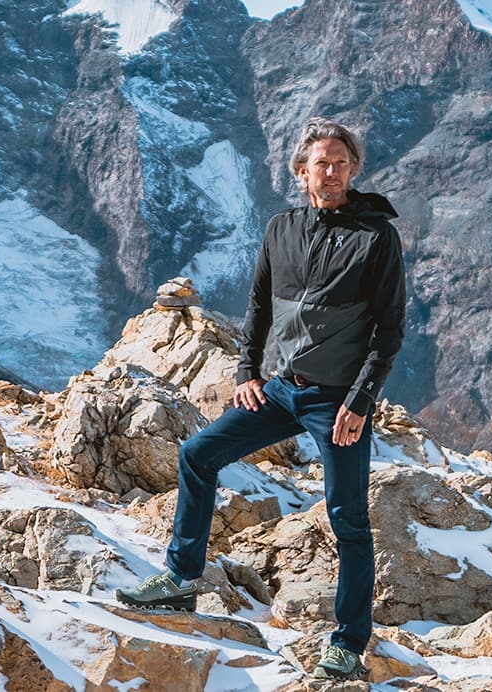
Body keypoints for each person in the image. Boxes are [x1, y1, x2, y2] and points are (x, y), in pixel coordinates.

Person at [113, 119, 406, 682]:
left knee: (348, 518)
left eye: (342, 162)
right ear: (301, 172)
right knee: (198, 454)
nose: (333, 171)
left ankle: (347, 642)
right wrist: (247, 371)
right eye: (322, 162)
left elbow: (389, 331)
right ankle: (180, 581)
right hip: (279, 390)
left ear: (354, 169)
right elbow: (258, 309)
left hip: (338, 402)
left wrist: (362, 401)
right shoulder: (281, 229)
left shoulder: (376, 237)